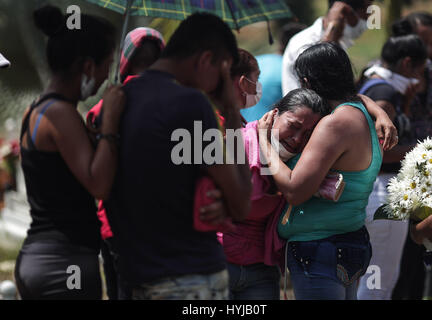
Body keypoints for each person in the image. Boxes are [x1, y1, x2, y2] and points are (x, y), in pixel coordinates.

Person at [104, 12, 253, 300]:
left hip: (135, 276)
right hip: (190, 278)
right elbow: (241, 202)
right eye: (222, 72)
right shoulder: (191, 105)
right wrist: (232, 113)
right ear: (206, 60)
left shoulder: (118, 101)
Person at [259, 42, 386, 300]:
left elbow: (295, 190)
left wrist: (264, 142)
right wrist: (377, 108)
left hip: (320, 249)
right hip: (347, 240)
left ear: (306, 82)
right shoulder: (360, 113)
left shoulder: (334, 124)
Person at [14, 5, 124, 299]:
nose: (105, 77)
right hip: (64, 265)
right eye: (106, 65)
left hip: (42, 260)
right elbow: (98, 184)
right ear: (88, 66)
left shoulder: (38, 109)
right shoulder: (61, 115)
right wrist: (111, 119)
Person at [225, 88, 328, 300]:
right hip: (218, 264)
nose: (298, 139)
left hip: (262, 272)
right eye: (294, 126)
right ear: (274, 114)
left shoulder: (301, 164)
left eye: (308, 134)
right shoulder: (236, 145)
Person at [86, 27, 165, 300]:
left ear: (124, 60)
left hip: (112, 225)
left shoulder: (102, 108)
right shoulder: (176, 103)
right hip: (160, 227)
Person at [356, 34, 428, 300]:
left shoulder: (375, 85)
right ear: (408, 63)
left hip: (374, 192)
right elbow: (380, 151)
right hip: (383, 192)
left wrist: (406, 106)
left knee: (374, 279)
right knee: (379, 283)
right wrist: (427, 150)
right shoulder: (384, 94)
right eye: (421, 69)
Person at [389, 13, 432, 300]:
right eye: (424, 42)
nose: (430, 49)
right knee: (402, 258)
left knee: (425, 255)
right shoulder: (393, 78)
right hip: (406, 173)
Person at [282, 0, 373, 96]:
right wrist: (332, 30)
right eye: (365, 16)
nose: (367, 21)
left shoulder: (337, 42)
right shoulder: (305, 41)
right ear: (346, 13)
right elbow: (319, 82)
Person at [241, 23, 305, 122]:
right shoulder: (290, 72)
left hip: (237, 127)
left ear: (280, 43)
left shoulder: (255, 61)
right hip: (265, 131)